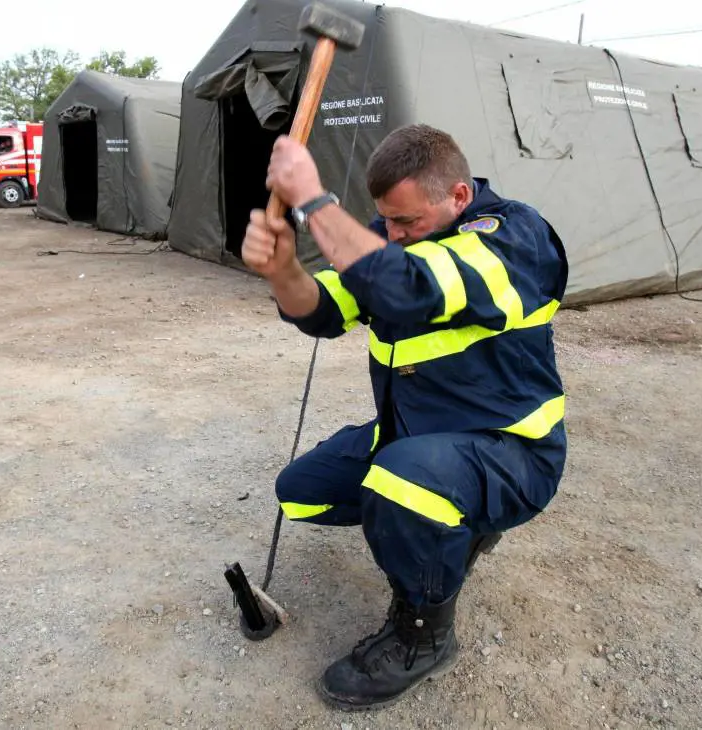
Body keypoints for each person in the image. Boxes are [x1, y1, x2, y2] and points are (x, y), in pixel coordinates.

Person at [242, 124, 568, 710]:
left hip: (514, 451)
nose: (393, 235)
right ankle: (456, 522)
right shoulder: (392, 236)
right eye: (386, 221)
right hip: (419, 436)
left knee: (402, 484)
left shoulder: (515, 237)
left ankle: (423, 637)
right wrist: (282, 269)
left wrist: (314, 200)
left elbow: (411, 288)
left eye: (407, 223)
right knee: (300, 492)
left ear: (459, 197)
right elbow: (322, 310)